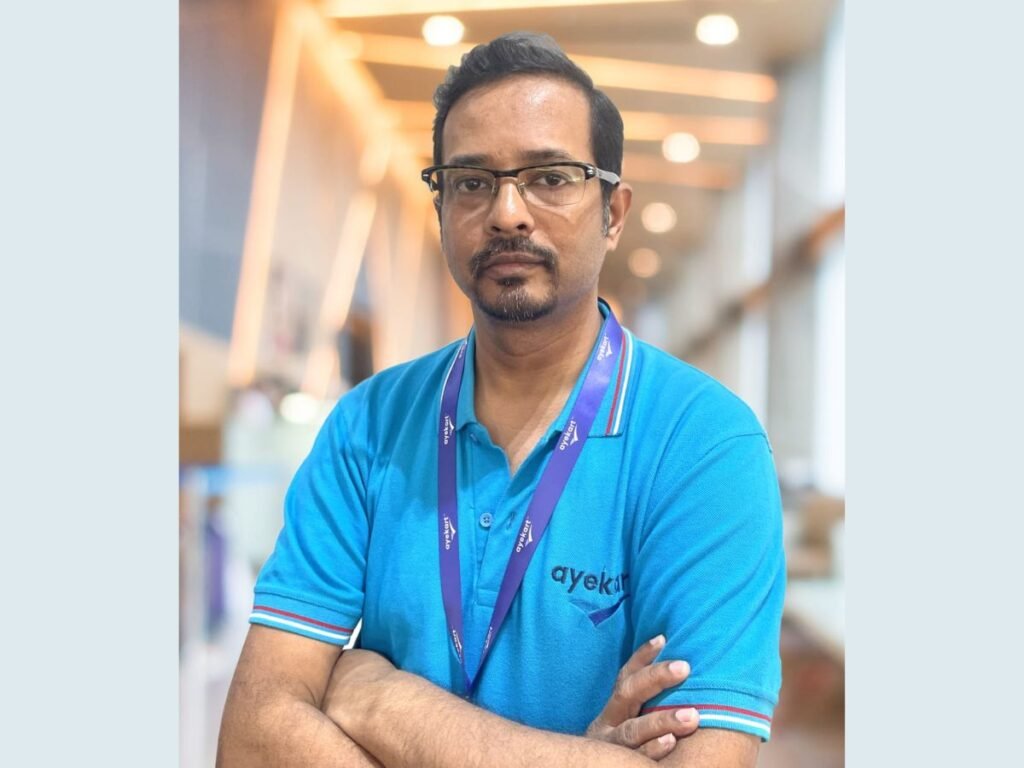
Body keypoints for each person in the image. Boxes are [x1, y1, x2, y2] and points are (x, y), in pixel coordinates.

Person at [218, 31, 785, 768]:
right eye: (471, 181)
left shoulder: (704, 445)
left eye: (551, 177)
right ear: (442, 208)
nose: (507, 212)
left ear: (614, 212)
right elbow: (253, 738)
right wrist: (577, 759)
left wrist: (385, 702)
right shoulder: (369, 426)